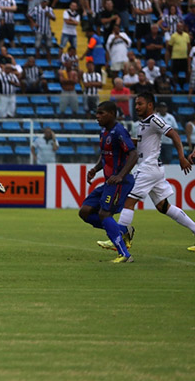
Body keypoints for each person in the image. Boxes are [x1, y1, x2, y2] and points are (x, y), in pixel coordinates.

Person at [96, 93, 195, 253]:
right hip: (153, 169)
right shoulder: (143, 124)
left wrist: (182, 157)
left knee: (129, 201)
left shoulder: (155, 120)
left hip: (148, 168)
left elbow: (174, 134)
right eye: (136, 104)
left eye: (140, 104)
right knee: (164, 207)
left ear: (150, 105)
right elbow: (144, 143)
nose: (136, 107)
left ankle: (120, 238)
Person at [78, 101, 138, 263]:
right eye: (97, 113)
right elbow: (105, 155)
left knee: (104, 214)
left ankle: (124, 254)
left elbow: (133, 154)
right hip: (109, 182)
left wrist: (120, 175)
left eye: (101, 113)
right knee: (85, 211)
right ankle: (122, 230)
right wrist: (95, 169)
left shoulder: (119, 131)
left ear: (112, 114)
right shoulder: (104, 131)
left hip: (120, 182)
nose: (97, 116)